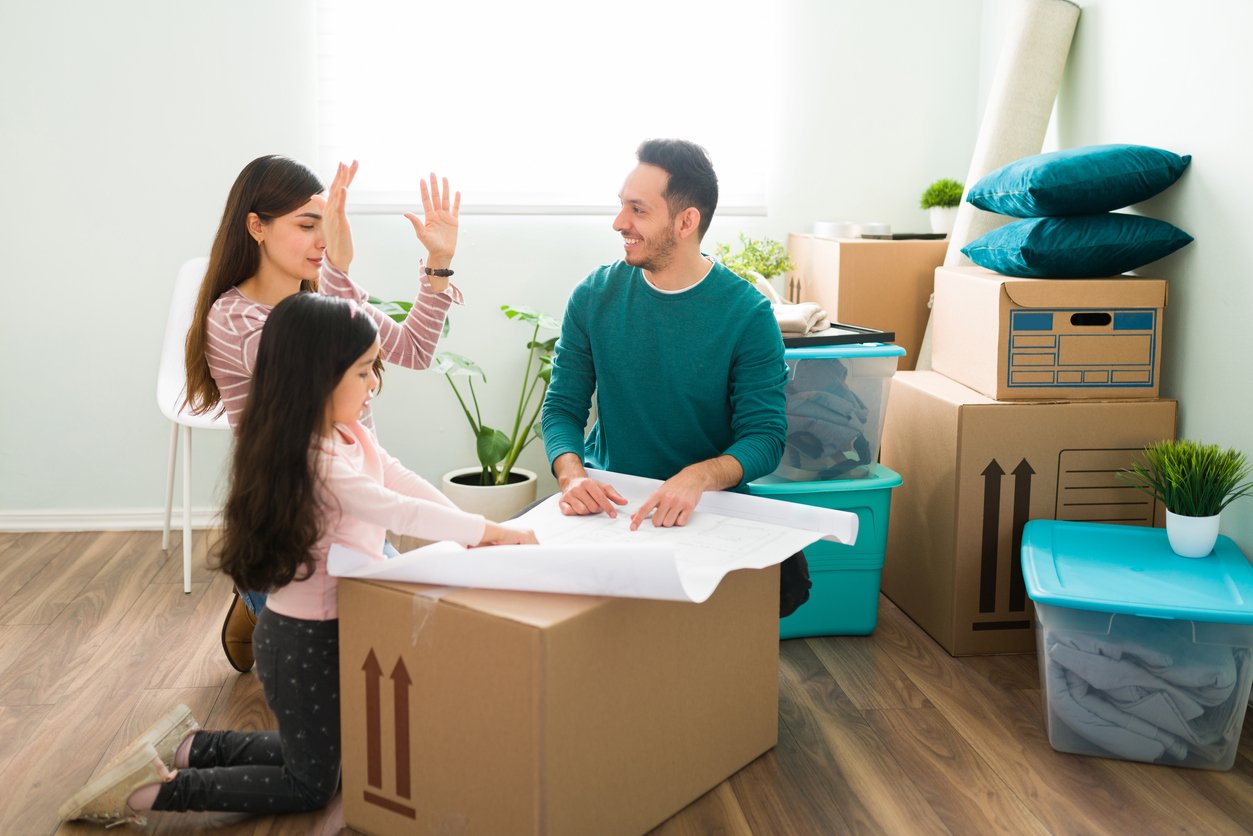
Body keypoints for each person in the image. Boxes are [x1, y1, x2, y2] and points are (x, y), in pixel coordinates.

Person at [59, 293, 537, 827]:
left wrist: (474, 533)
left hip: (332, 629)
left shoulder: (349, 433)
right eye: (362, 372)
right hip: (302, 640)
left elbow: (397, 477)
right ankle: (150, 793)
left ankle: (192, 747)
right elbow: (390, 507)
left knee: (326, 759)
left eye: (373, 368)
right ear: (317, 377)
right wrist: (486, 529)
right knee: (310, 783)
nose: (373, 384)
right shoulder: (312, 457)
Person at [183, 155, 461, 672]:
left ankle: (256, 604)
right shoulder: (234, 318)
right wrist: (339, 274)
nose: (322, 241)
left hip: (355, 526)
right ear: (256, 227)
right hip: (291, 536)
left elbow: (416, 348)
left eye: (327, 226)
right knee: (367, 679)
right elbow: (309, 365)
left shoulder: (326, 299)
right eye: (309, 225)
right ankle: (257, 592)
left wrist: (438, 265)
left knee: (424, 651)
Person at [540, 138, 811, 615]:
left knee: (785, 585)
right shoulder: (593, 296)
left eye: (638, 210)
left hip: (707, 504)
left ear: (686, 222)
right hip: (615, 498)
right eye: (621, 206)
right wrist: (571, 475)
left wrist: (698, 477)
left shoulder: (746, 314)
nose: (619, 222)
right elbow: (563, 408)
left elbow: (765, 437)